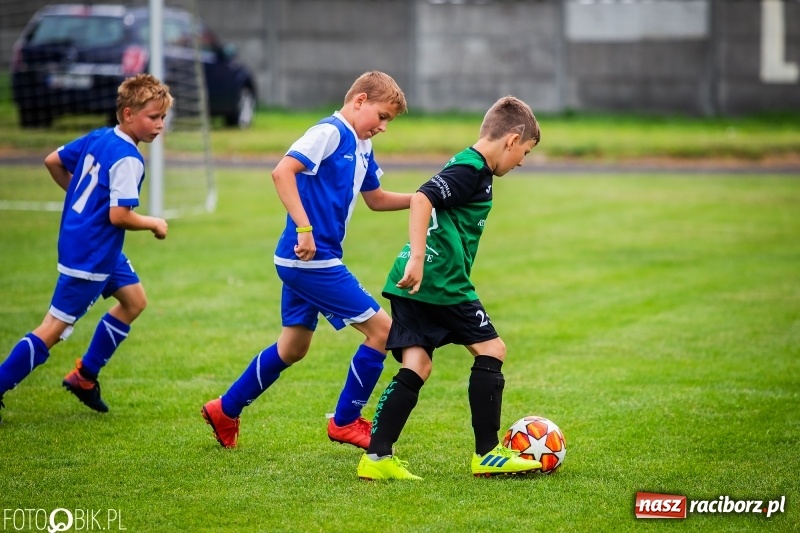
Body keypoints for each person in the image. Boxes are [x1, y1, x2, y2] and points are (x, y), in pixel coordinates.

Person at [201, 71, 411, 450]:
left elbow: (376, 198)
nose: (383, 127)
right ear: (359, 100)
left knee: (293, 347)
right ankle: (345, 421)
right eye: (381, 116)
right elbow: (282, 171)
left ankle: (225, 409)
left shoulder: (362, 145)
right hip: (312, 259)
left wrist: (425, 198)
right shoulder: (329, 132)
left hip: (308, 261)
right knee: (384, 331)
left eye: (389, 122)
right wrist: (304, 227)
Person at [357, 96, 543, 480]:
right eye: (523, 152)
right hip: (440, 280)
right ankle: (488, 454)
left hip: (411, 284)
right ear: (511, 140)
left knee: (418, 364)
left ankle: (376, 459)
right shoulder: (472, 168)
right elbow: (423, 197)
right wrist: (419, 257)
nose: (522, 161)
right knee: (492, 349)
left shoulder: (471, 166)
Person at [0, 74, 172, 422]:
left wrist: (84, 200)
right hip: (91, 253)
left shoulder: (100, 137)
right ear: (127, 114)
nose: (159, 125)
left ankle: (84, 376)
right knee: (54, 329)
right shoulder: (128, 159)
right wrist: (153, 222)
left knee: (134, 300)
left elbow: (53, 160)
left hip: (93, 246)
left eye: (162, 117)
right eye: (153, 117)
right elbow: (120, 215)